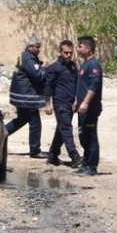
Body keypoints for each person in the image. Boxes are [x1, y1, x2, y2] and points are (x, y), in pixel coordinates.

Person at [5, 36, 48, 158]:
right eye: (37, 47)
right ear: (30, 46)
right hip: (27, 96)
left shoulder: (27, 57)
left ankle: (0, 133)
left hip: (22, 95)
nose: (39, 49)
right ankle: (35, 150)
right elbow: (37, 75)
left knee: (22, 119)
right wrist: (44, 67)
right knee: (35, 122)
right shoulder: (28, 57)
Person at [43, 40, 81, 168]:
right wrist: (48, 104)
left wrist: (77, 100)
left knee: (61, 129)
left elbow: (76, 84)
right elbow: (48, 87)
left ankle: (53, 155)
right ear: (60, 52)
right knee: (66, 128)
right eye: (66, 53)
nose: (68, 55)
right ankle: (74, 156)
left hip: (71, 104)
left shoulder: (73, 66)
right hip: (60, 103)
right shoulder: (54, 68)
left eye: (70, 53)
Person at [74, 35, 103, 176]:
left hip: (90, 108)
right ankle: (85, 164)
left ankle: (92, 166)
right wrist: (77, 101)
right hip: (82, 108)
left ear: (88, 48)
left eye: (80, 46)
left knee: (90, 137)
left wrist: (85, 102)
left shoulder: (93, 65)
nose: (78, 49)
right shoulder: (85, 64)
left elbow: (94, 85)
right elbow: (82, 86)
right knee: (83, 136)